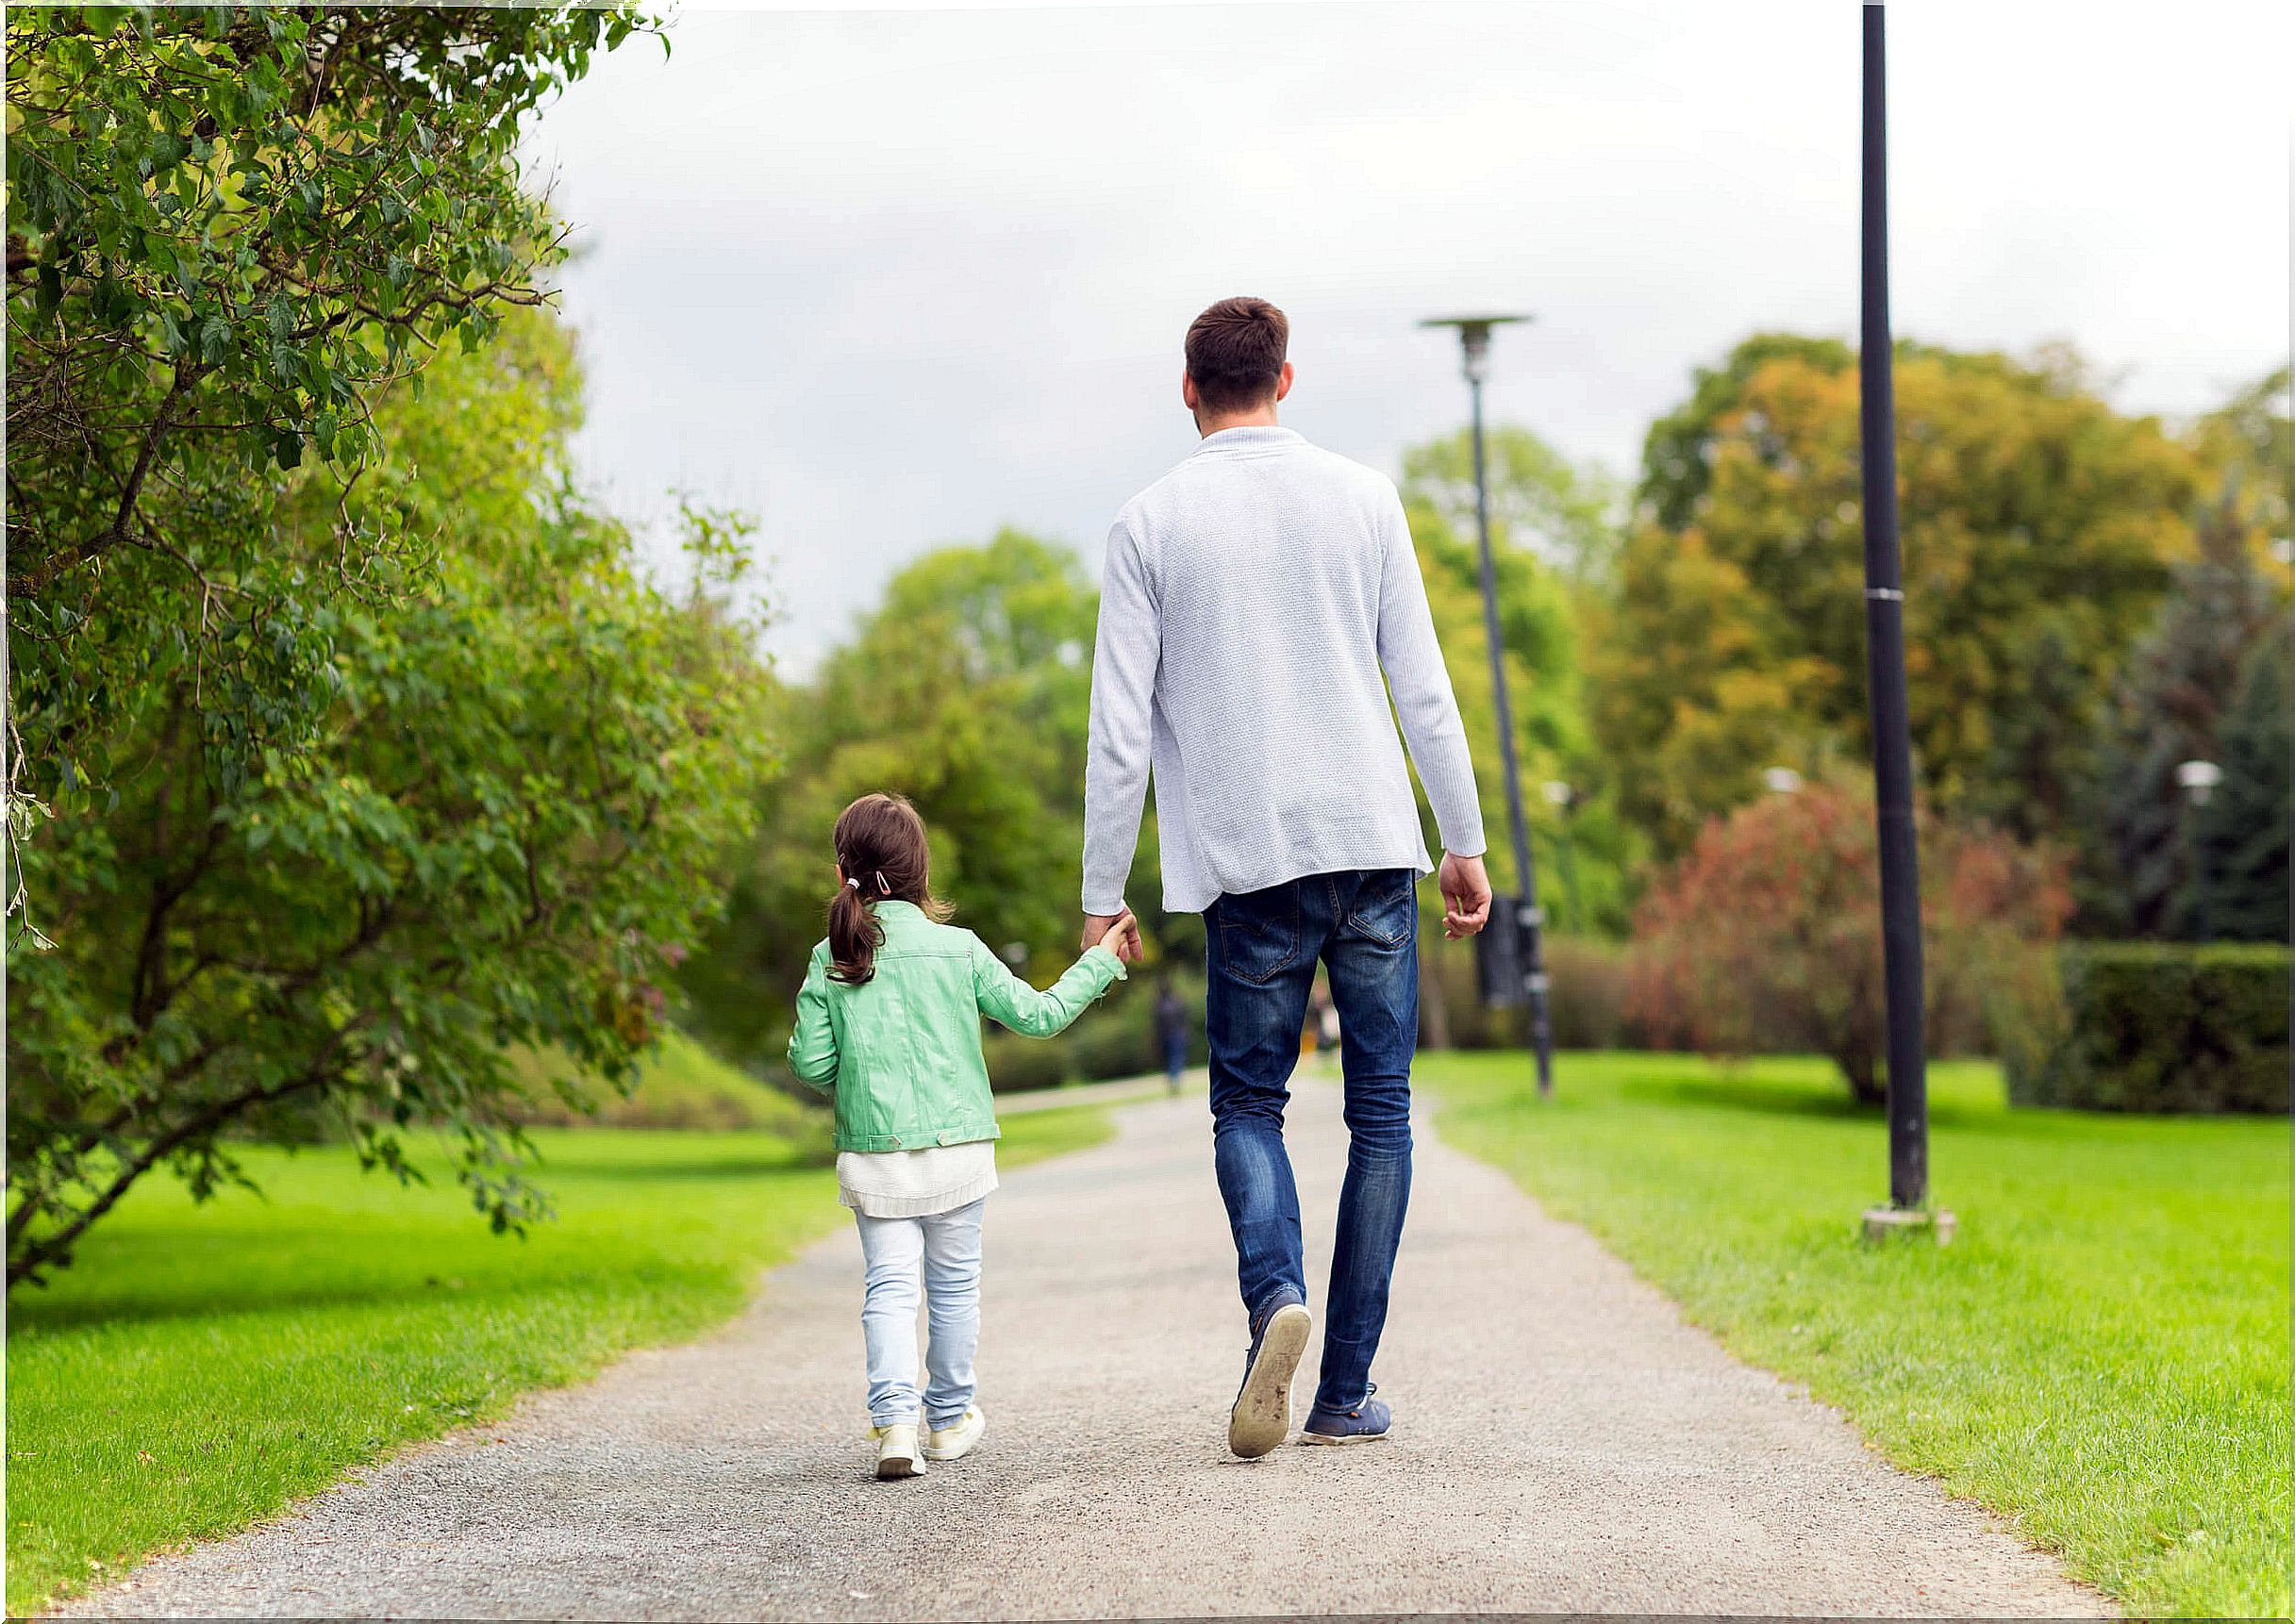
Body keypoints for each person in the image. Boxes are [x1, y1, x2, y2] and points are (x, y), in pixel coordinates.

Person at [1080, 296, 1492, 1459]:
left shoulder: (1149, 523)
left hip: (1247, 861)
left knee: (1248, 1105)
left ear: (1188, 388)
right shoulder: (1364, 499)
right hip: (1370, 846)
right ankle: (1346, 1390)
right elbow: (1424, 687)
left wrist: (1100, 894)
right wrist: (1462, 843)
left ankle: (1277, 1304)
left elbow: (1118, 730)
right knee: (1382, 1115)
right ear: (1288, 379)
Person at [789, 792, 1138, 1480]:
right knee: (952, 1290)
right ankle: (947, 1421)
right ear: (922, 871)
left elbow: (811, 1062)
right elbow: (1037, 1017)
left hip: (876, 1158)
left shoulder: (833, 956)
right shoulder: (958, 950)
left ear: (842, 874)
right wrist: (1099, 959)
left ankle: (894, 1426)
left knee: (888, 1290)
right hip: (959, 1157)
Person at [1154, 977, 1191, 1095]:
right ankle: (1175, 1079)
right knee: (1176, 1059)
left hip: (1168, 1037)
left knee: (1171, 1060)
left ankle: (1173, 1080)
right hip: (1177, 1036)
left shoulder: (1159, 1005)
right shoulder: (1177, 1002)